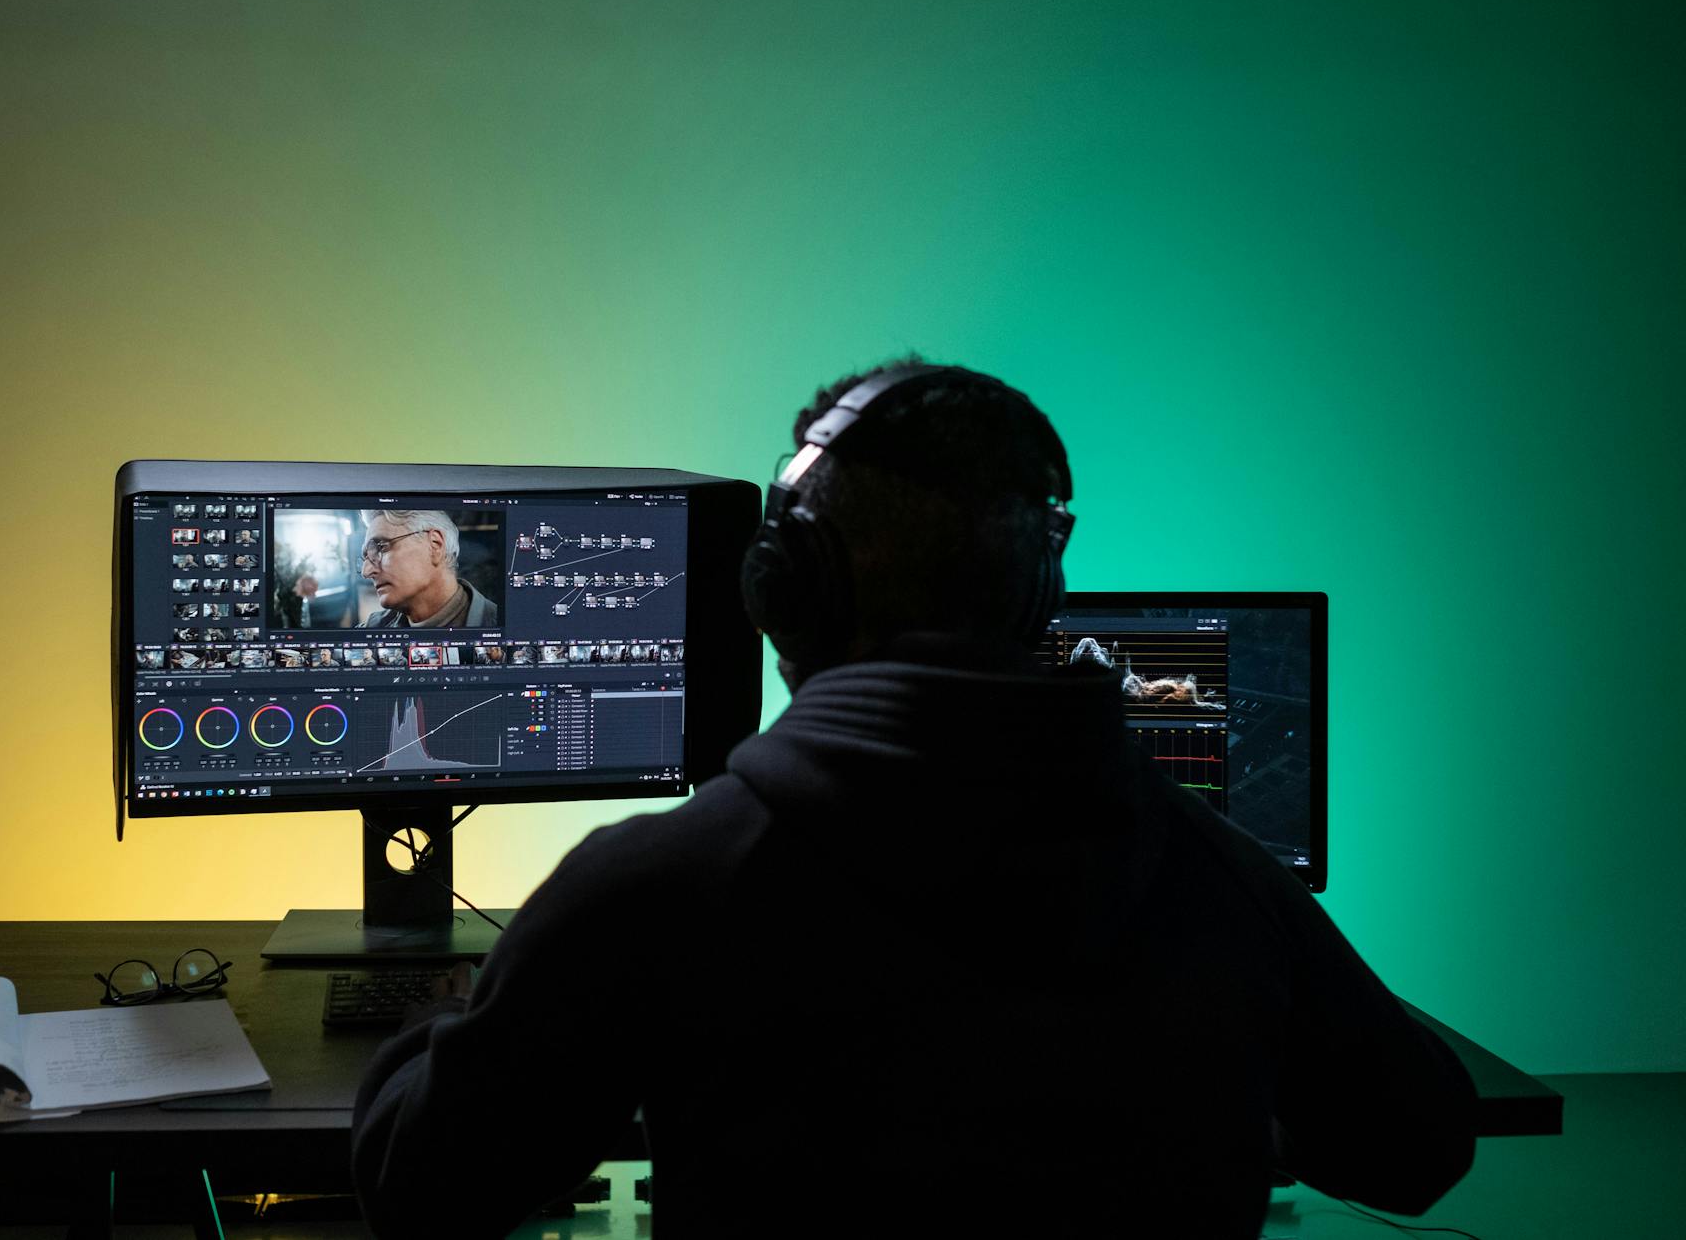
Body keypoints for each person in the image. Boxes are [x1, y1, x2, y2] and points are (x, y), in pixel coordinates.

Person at [351, 360, 1478, 1237]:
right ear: (1036, 589)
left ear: (782, 581)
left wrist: (450, 1020)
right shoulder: (1216, 874)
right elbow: (1417, 1148)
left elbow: (421, 1192)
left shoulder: (659, 883)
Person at [359, 508, 501, 628]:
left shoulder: (502, 624)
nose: (367, 572)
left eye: (382, 548)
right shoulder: (370, 629)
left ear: (435, 545)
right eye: (366, 557)